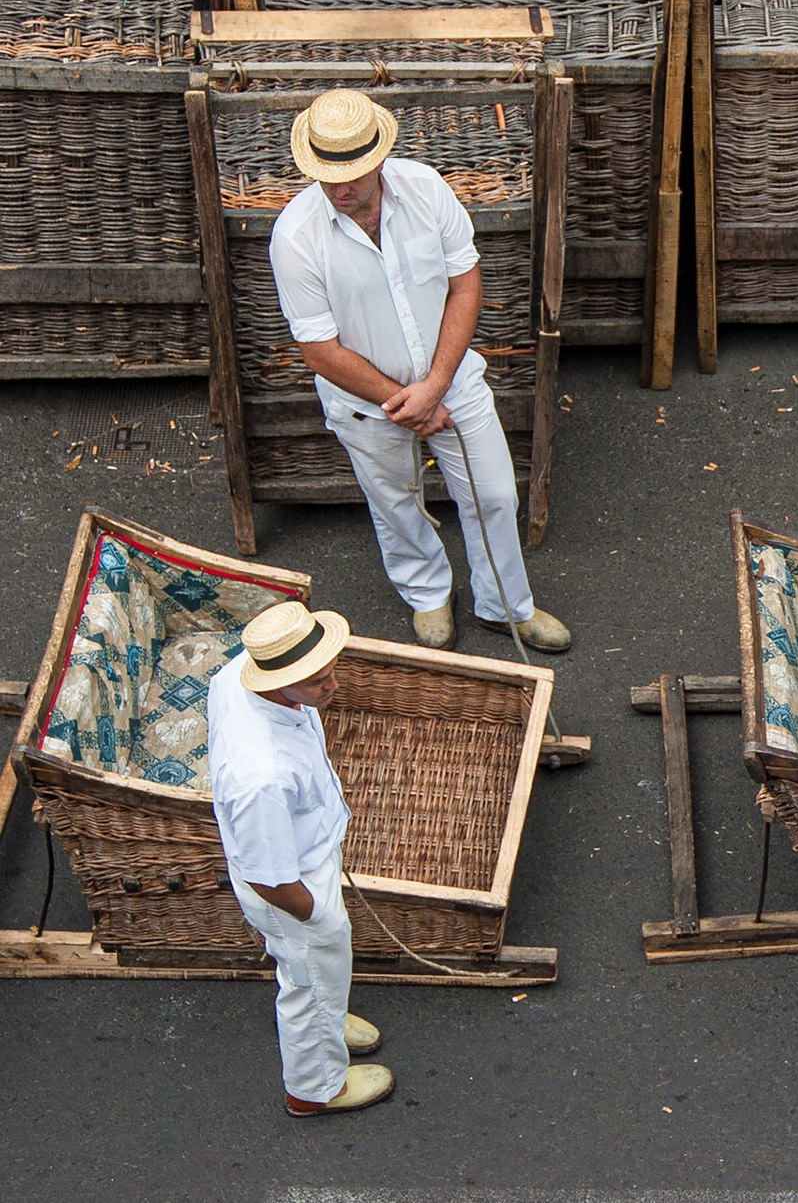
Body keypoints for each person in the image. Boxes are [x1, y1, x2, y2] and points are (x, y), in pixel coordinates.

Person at [268, 87, 569, 653]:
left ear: (379, 157)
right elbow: (319, 351)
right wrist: (402, 401)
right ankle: (428, 595)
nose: (339, 188)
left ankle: (505, 605)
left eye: (352, 174)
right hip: (364, 403)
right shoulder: (294, 236)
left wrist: (433, 387)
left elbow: (465, 287)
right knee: (394, 503)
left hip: (450, 380)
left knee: (495, 494)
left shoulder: (427, 188)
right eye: (327, 176)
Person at [207, 601, 393, 1117]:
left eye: (329, 670)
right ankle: (315, 1089)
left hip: (302, 854)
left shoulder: (238, 673)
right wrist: (317, 916)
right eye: (316, 681)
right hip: (292, 884)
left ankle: (326, 1019)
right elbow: (269, 879)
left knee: (318, 970)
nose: (333, 686)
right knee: (308, 976)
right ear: (278, 681)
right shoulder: (260, 777)